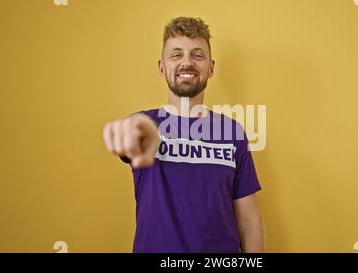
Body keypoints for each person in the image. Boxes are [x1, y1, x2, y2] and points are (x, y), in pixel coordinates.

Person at [102, 17, 265, 253]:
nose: (186, 62)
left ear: (210, 67)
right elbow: (124, 139)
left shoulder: (232, 132)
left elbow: (249, 221)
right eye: (176, 55)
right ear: (161, 67)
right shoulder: (144, 124)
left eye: (197, 55)